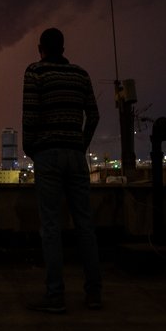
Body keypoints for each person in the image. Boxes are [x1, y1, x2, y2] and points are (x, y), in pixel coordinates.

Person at [22, 28, 102, 313]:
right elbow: (93, 114)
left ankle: (55, 296)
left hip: (48, 155)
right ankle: (94, 294)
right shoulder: (80, 74)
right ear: (63, 48)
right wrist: (80, 144)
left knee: (52, 227)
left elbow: (30, 114)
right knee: (85, 225)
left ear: (40, 47)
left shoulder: (35, 73)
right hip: (75, 156)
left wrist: (31, 148)